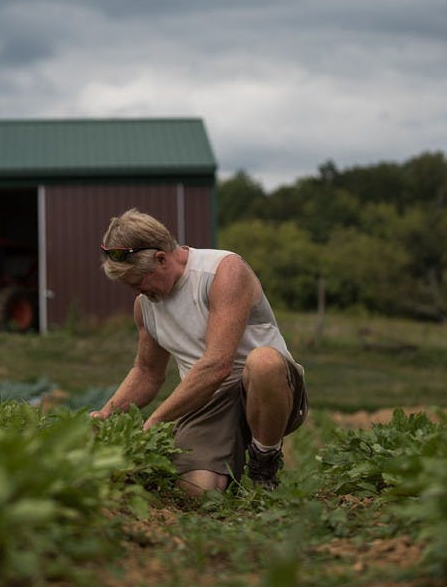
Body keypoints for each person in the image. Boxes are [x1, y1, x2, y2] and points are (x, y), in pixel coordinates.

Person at [90, 208, 308, 495]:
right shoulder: (145, 306)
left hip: (268, 388)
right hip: (207, 400)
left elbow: (218, 365)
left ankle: (264, 464)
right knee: (196, 491)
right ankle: (225, 472)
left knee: (264, 362)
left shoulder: (222, 271)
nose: (137, 293)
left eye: (138, 281)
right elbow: (147, 373)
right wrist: (106, 415)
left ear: (161, 259)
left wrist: (156, 421)